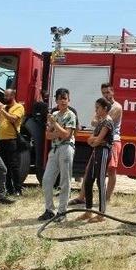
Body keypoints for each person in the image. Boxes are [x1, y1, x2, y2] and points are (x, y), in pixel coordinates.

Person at [70, 83, 123, 206]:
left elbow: (105, 122)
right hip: (99, 141)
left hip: (112, 141)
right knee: (89, 169)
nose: (106, 95)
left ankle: (107, 198)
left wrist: (99, 119)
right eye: (103, 93)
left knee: (111, 171)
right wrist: (99, 118)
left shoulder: (117, 107)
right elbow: (93, 121)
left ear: (113, 92)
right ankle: (82, 197)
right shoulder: (102, 106)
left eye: (108, 92)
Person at [38, 88, 77, 221]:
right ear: (56, 100)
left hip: (66, 149)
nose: (63, 101)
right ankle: (49, 210)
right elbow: (48, 135)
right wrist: (58, 132)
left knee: (65, 181)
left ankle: (62, 212)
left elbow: (67, 135)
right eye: (60, 98)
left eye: (65, 98)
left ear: (68, 100)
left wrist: (55, 125)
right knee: (46, 180)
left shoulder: (71, 115)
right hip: (54, 150)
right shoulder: (54, 114)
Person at [78, 98, 114, 223]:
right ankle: (88, 211)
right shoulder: (101, 122)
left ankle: (101, 213)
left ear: (105, 108)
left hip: (103, 152)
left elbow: (97, 140)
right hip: (96, 152)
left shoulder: (107, 122)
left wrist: (94, 142)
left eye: (98, 108)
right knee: (88, 181)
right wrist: (94, 141)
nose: (96, 110)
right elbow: (92, 138)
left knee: (100, 181)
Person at [0, 89, 25, 196]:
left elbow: (13, 119)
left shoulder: (19, 107)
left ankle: (18, 189)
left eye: (7, 96)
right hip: (1, 140)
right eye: (4, 96)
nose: (5, 98)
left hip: (12, 140)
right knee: (4, 166)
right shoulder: (3, 108)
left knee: (14, 166)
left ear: (13, 95)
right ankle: (9, 189)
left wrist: (1, 109)